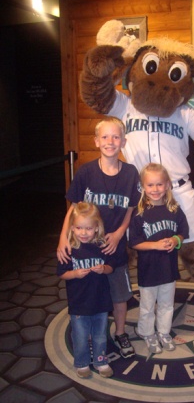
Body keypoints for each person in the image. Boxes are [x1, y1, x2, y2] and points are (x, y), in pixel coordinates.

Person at [57, 116, 141, 358]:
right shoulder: (86, 172)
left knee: (119, 295)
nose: (110, 141)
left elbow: (130, 209)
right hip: (87, 247)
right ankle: (91, 333)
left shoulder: (131, 173)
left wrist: (118, 234)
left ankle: (121, 332)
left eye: (116, 137)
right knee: (89, 292)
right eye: (105, 137)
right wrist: (63, 237)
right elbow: (73, 208)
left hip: (114, 248)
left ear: (123, 141)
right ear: (96, 141)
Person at [129, 163, 189, 354]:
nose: (155, 189)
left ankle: (163, 331)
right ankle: (146, 332)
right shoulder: (139, 213)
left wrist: (175, 240)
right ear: (143, 187)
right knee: (147, 305)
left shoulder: (174, 209)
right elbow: (134, 242)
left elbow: (183, 233)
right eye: (150, 185)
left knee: (166, 303)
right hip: (148, 269)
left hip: (168, 269)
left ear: (167, 185)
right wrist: (154, 245)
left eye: (159, 185)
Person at [57, 202, 115, 379]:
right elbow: (61, 274)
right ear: (72, 228)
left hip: (100, 300)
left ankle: (100, 360)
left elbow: (112, 267)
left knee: (100, 334)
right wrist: (74, 274)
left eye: (88, 228)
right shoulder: (69, 249)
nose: (83, 233)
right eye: (79, 228)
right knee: (81, 336)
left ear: (97, 228)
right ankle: (81, 362)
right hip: (79, 301)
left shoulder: (102, 245)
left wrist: (103, 268)